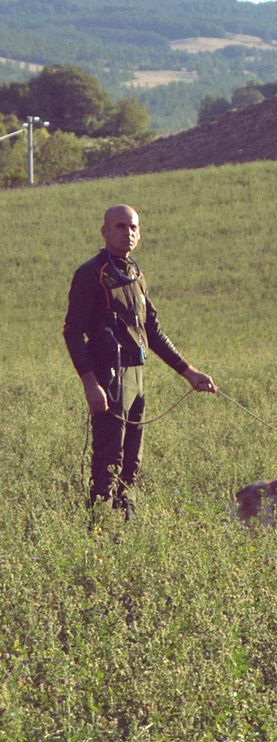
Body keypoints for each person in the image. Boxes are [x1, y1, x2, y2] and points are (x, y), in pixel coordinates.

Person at [63, 204, 217, 520]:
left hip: (137, 377)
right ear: (105, 231)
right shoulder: (91, 274)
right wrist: (90, 384)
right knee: (109, 459)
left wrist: (189, 372)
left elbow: (152, 331)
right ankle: (98, 532)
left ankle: (127, 528)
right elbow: (72, 331)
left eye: (133, 227)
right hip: (108, 377)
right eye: (120, 226)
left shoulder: (134, 273)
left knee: (132, 461)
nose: (127, 232)